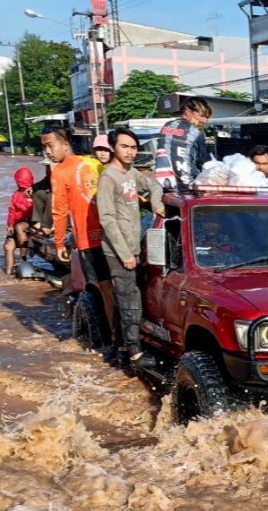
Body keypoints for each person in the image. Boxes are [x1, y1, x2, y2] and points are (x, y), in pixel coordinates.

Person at [98, 127, 165, 369]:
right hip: (118, 251)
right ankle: (135, 353)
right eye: (124, 146)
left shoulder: (130, 173)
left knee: (126, 297)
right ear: (113, 148)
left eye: (134, 147)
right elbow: (106, 218)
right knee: (130, 299)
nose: (130, 151)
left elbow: (154, 186)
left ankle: (123, 348)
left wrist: (156, 204)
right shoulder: (108, 178)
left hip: (134, 246)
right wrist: (125, 253)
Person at [43, 126, 116, 342]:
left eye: (49, 145)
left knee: (103, 288)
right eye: (44, 146)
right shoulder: (94, 164)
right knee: (114, 288)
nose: (47, 151)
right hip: (113, 236)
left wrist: (58, 244)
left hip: (89, 240)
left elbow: (59, 209)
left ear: (65, 144)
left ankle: (113, 337)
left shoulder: (59, 171)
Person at [153, 96, 212, 190]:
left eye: (207, 117)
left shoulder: (167, 125)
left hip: (164, 184)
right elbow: (203, 162)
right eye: (202, 116)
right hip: (187, 186)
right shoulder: (197, 132)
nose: (205, 120)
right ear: (188, 111)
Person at [4, 167, 34, 274]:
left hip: (31, 222)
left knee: (19, 227)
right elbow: (12, 210)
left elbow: (32, 211)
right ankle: (9, 272)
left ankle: (23, 258)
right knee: (8, 246)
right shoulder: (16, 194)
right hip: (17, 223)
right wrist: (10, 224)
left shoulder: (34, 193)